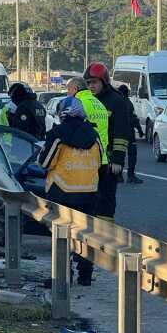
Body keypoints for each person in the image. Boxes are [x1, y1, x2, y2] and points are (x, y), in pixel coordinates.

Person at [38, 96, 103, 286]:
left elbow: (45, 162)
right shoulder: (94, 134)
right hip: (89, 191)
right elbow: (100, 162)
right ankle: (85, 276)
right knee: (86, 235)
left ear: (62, 113)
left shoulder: (57, 134)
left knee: (61, 235)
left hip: (62, 191)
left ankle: (63, 275)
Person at [83, 62, 130, 221]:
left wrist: (118, 159)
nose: (91, 86)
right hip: (88, 159)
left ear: (104, 81)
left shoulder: (116, 101)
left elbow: (121, 133)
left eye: (94, 82)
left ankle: (106, 235)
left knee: (106, 198)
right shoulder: (87, 100)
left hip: (108, 160)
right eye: (88, 83)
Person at [117, 84, 144, 184]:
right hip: (129, 133)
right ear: (126, 93)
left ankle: (118, 176)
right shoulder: (128, 103)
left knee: (120, 154)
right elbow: (133, 119)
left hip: (118, 133)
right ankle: (130, 175)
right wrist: (140, 130)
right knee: (132, 155)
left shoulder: (116, 102)